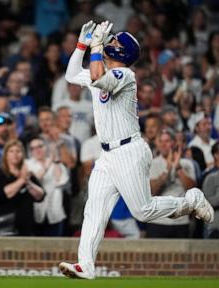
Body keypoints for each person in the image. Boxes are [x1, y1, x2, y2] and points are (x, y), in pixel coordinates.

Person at [58, 20, 214, 280]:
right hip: (108, 154)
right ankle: (85, 265)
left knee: (143, 210)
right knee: (94, 207)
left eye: (116, 42)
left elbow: (97, 77)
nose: (111, 42)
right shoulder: (104, 69)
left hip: (129, 150)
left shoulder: (125, 75)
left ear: (124, 53)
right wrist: (82, 45)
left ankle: (191, 201)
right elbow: (72, 75)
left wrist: (95, 45)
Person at [0, 139, 45, 236]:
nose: (15, 154)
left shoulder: (28, 175)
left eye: (18, 151)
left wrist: (28, 182)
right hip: (4, 224)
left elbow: (40, 196)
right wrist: (22, 180)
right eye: (11, 151)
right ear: (6, 155)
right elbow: (1, 195)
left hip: (26, 225)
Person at [26, 137, 68, 236]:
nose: (37, 150)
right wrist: (49, 162)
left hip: (55, 212)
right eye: (33, 148)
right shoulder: (27, 164)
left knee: (55, 248)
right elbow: (36, 179)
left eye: (40, 146)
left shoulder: (56, 163)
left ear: (46, 147)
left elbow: (60, 181)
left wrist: (56, 159)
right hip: (36, 213)